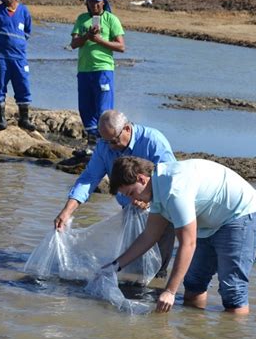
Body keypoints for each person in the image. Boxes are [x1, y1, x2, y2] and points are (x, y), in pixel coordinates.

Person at [105, 157, 256, 314]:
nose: (133, 200)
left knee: (232, 290)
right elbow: (149, 236)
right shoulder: (157, 189)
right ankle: (194, 334)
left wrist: (170, 292)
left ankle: (235, 337)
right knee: (194, 283)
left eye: (132, 193)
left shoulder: (174, 190)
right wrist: (114, 266)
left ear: (141, 178)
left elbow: (188, 243)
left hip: (240, 215)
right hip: (209, 222)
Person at [55, 110, 176, 277]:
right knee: (131, 263)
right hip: (130, 211)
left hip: (161, 210)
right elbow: (89, 178)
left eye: (114, 140)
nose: (110, 146)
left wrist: (149, 201)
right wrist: (67, 210)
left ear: (127, 128)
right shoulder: (104, 145)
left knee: (157, 267)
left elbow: (169, 179)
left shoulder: (153, 141)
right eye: (105, 141)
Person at [70, 0, 125, 152]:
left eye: (97, 1)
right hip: (84, 70)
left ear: (104, 2)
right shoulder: (81, 19)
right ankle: (91, 143)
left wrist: (99, 40)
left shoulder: (111, 19)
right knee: (86, 107)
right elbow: (73, 44)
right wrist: (87, 36)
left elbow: (121, 46)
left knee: (103, 109)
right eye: (91, 1)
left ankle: (107, 145)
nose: (94, 4)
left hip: (103, 70)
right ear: (87, 2)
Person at [0, 0, 35, 131]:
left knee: (23, 85)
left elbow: (27, 32)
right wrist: (2, 45)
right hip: (0, 57)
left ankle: (24, 119)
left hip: (19, 57)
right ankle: (1, 120)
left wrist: (17, 44)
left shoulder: (24, 11)